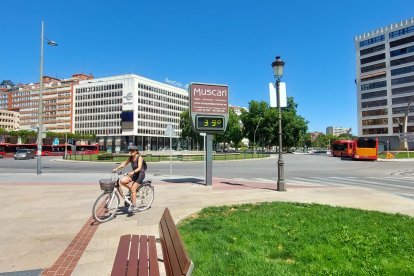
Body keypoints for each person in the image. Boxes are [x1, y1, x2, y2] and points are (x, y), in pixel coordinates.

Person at [112, 145, 145, 212]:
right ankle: (133, 191)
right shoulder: (131, 158)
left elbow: (139, 168)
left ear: (136, 151)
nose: (131, 152)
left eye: (132, 150)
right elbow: (124, 164)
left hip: (140, 174)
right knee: (122, 181)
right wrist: (117, 168)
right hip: (134, 173)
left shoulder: (139, 157)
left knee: (133, 189)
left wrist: (132, 172)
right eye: (130, 151)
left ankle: (134, 206)